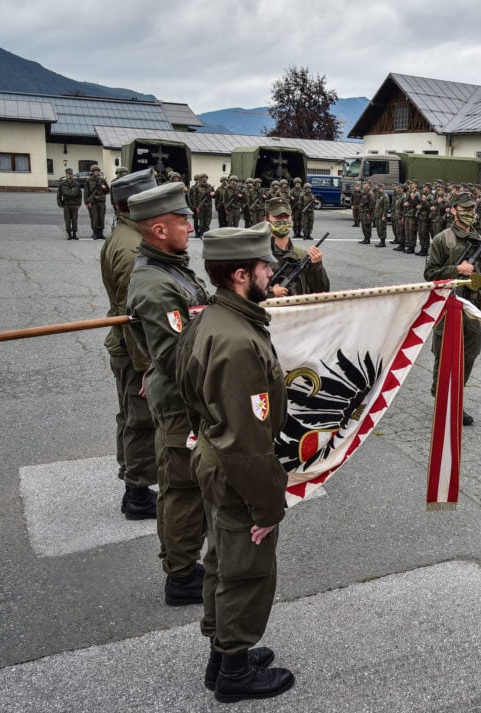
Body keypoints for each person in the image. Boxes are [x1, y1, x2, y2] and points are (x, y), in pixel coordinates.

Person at [175, 223, 295, 703]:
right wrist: (268, 507)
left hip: (212, 457)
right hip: (234, 470)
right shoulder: (237, 341)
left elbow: (187, 387)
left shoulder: (215, 318)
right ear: (242, 274)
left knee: (221, 560)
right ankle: (236, 673)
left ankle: (221, 655)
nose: (272, 272)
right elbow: (246, 442)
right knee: (245, 567)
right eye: (265, 266)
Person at [125, 182, 211, 607]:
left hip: (187, 400)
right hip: (181, 404)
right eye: (183, 220)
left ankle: (185, 563)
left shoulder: (172, 267)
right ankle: (180, 576)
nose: (191, 226)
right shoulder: (156, 284)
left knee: (189, 486)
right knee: (181, 489)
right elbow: (179, 356)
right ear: (159, 229)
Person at [101, 168, 159, 520]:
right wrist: (146, 368)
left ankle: (132, 484)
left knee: (131, 416)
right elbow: (131, 313)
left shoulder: (125, 234)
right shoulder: (131, 247)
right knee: (140, 419)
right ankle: (137, 494)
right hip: (134, 350)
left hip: (126, 346)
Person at [423, 191, 481, 426]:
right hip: (449, 306)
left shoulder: (478, 239)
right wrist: (458, 270)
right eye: (464, 209)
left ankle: (454, 397)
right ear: (453, 210)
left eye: (472, 209)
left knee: (469, 354)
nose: (469, 213)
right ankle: (442, 401)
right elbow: (430, 275)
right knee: (445, 353)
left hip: (473, 308)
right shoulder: (443, 239)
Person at [264, 199, 329, 297]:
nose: (283, 220)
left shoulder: (302, 255)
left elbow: (322, 290)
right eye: (277, 217)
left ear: (291, 218)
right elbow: (244, 292)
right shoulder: (258, 255)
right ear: (267, 219)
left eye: (286, 216)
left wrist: (317, 266)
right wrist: (270, 293)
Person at [84, 164, 110, 240]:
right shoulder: (89, 180)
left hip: (101, 201)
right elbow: (86, 192)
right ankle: (95, 233)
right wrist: (87, 202)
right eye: (95, 171)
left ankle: (101, 233)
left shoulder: (102, 180)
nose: (96, 172)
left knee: (101, 217)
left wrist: (104, 187)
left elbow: (107, 190)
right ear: (92, 172)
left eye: (98, 171)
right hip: (93, 201)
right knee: (94, 217)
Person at [57, 168, 82, 240]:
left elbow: (80, 195)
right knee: (67, 220)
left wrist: (79, 203)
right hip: (66, 204)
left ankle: (74, 234)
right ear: (66, 175)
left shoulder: (76, 184)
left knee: (74, 220)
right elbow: (59, 194)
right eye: (68, 174)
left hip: (74, 204)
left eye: (71, 174)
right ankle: (69, 234)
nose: (70, 176)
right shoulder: (62, 184)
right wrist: (60, 203)